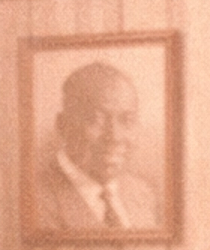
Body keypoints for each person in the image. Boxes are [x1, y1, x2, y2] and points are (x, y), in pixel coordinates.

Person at [31, 60, 159, 232]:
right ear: (63, 125)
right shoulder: (35, 200)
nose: (114, 136)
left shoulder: (143, 194)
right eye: (96, 120)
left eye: (126, 120)